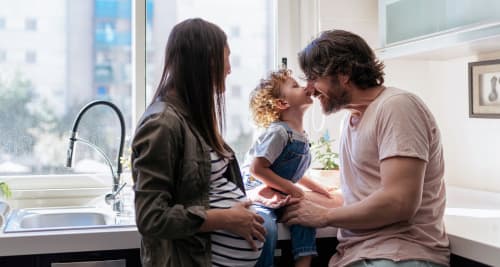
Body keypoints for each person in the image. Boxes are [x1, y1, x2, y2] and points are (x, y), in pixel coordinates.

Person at [281, 29, 450, 267]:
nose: (309, 88)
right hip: (361, 255)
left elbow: (399, 202)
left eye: (314, 77)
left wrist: (324, 216)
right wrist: (296, 199)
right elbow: (361, 197)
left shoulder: (397, 107)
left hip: (399, 255)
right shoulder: (351, 121)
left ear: (344, 74)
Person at [131, 18, 265, 267]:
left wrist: (239, 210)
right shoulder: (162, 123)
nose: (230, 69)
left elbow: (203, 190)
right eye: (227, 57)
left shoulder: (194, 117)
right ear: (208, 60)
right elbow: (151, 218)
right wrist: (226, 219)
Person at [241, 69, 339, 267]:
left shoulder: (300, 134)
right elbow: (257, 169)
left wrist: (317, 188)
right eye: (295, 86)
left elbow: (293, 171)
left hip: (281, 192)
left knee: (305, 217)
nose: (304, 87)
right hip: (260, 192)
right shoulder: (279, 132)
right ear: (282, 103)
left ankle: (303, 263)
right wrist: (293, 189)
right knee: (265, 226)